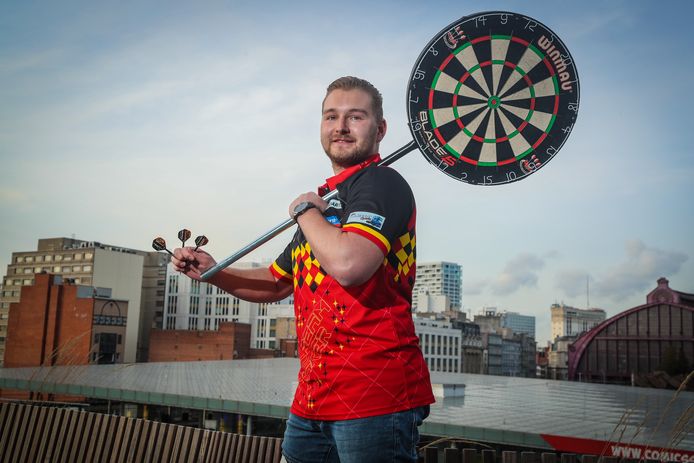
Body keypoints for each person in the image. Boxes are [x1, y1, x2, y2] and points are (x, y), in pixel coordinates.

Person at [172, 76, 434, 463]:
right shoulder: (328, 205)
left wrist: (305, 212)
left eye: (355, 117)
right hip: (312, 401)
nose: (340, 127)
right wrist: (214, 272)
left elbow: (349, 264)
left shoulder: (382, 184)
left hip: (376, 397)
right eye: (331, 117)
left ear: (380, 129)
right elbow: (278, 284)